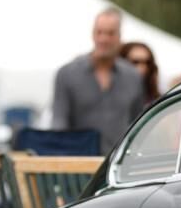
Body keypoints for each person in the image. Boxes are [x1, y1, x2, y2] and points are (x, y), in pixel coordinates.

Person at [51, 8, 144, 155]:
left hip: (119, 163)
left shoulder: (133, 77)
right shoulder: (67, 74)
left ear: (119, 37)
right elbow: (59, 124)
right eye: (99, 32)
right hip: (77, 161)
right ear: (92, 35)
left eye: (110, 33)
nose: (104, 39)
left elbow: (138, 125)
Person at [120, 41, 161, 106]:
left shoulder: (158, 101)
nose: (142, 67)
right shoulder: (109, 94)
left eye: (147, 63)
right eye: (135, 62)